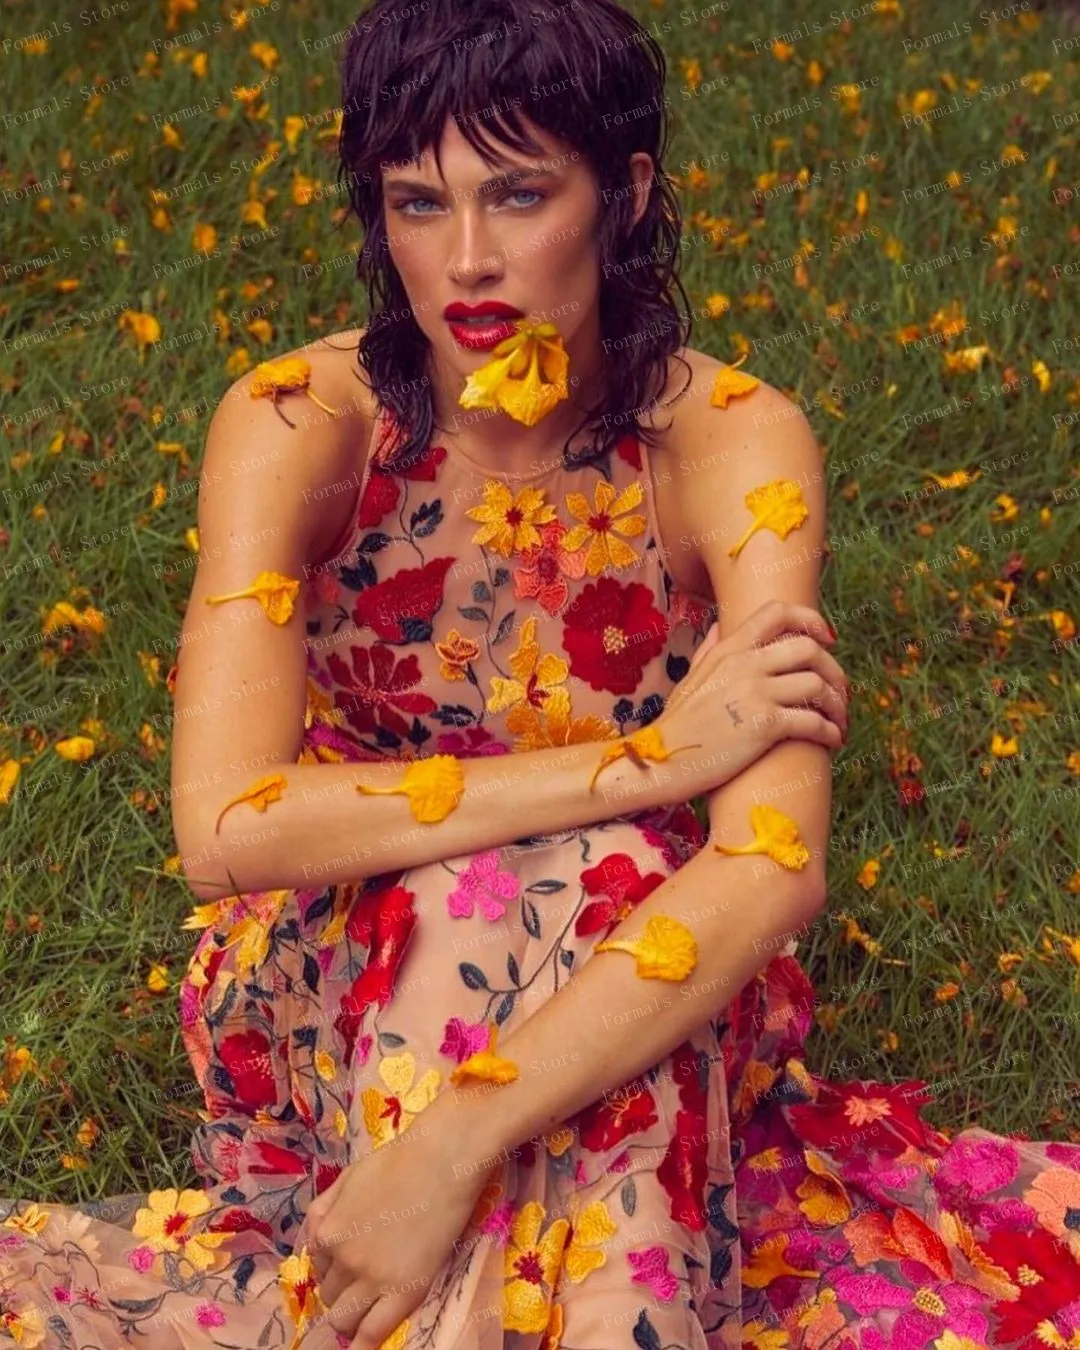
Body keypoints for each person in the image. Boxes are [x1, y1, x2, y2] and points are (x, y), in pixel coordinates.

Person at [2, 2, 1077, 1348]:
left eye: (517, 194)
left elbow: (774, 867)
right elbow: (224, 834)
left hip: (645, 986)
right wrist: (643, 766)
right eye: (415, 202)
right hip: (334, 973)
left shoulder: (727, 444)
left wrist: (453, 1142)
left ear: (623, 193)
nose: (462, 260)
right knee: (548, 875)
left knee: (606, 885)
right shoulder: (302, 423)